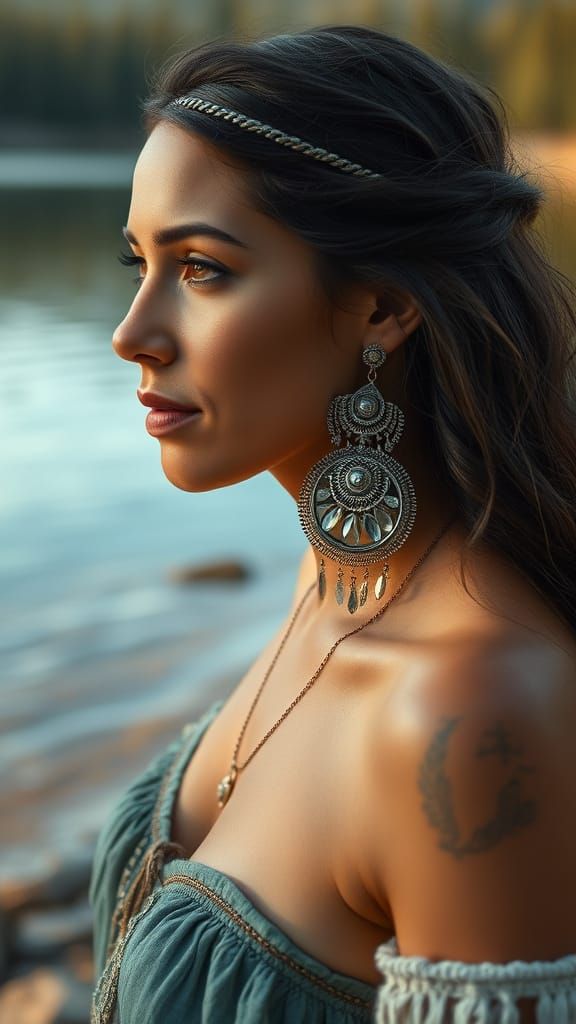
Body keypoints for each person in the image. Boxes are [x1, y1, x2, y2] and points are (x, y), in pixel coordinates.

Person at [89, 23, 576, 1023]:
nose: (131, 333)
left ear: (383, 305)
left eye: (203, 269)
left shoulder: (472, 709)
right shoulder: (337, 579)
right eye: (139, 261)